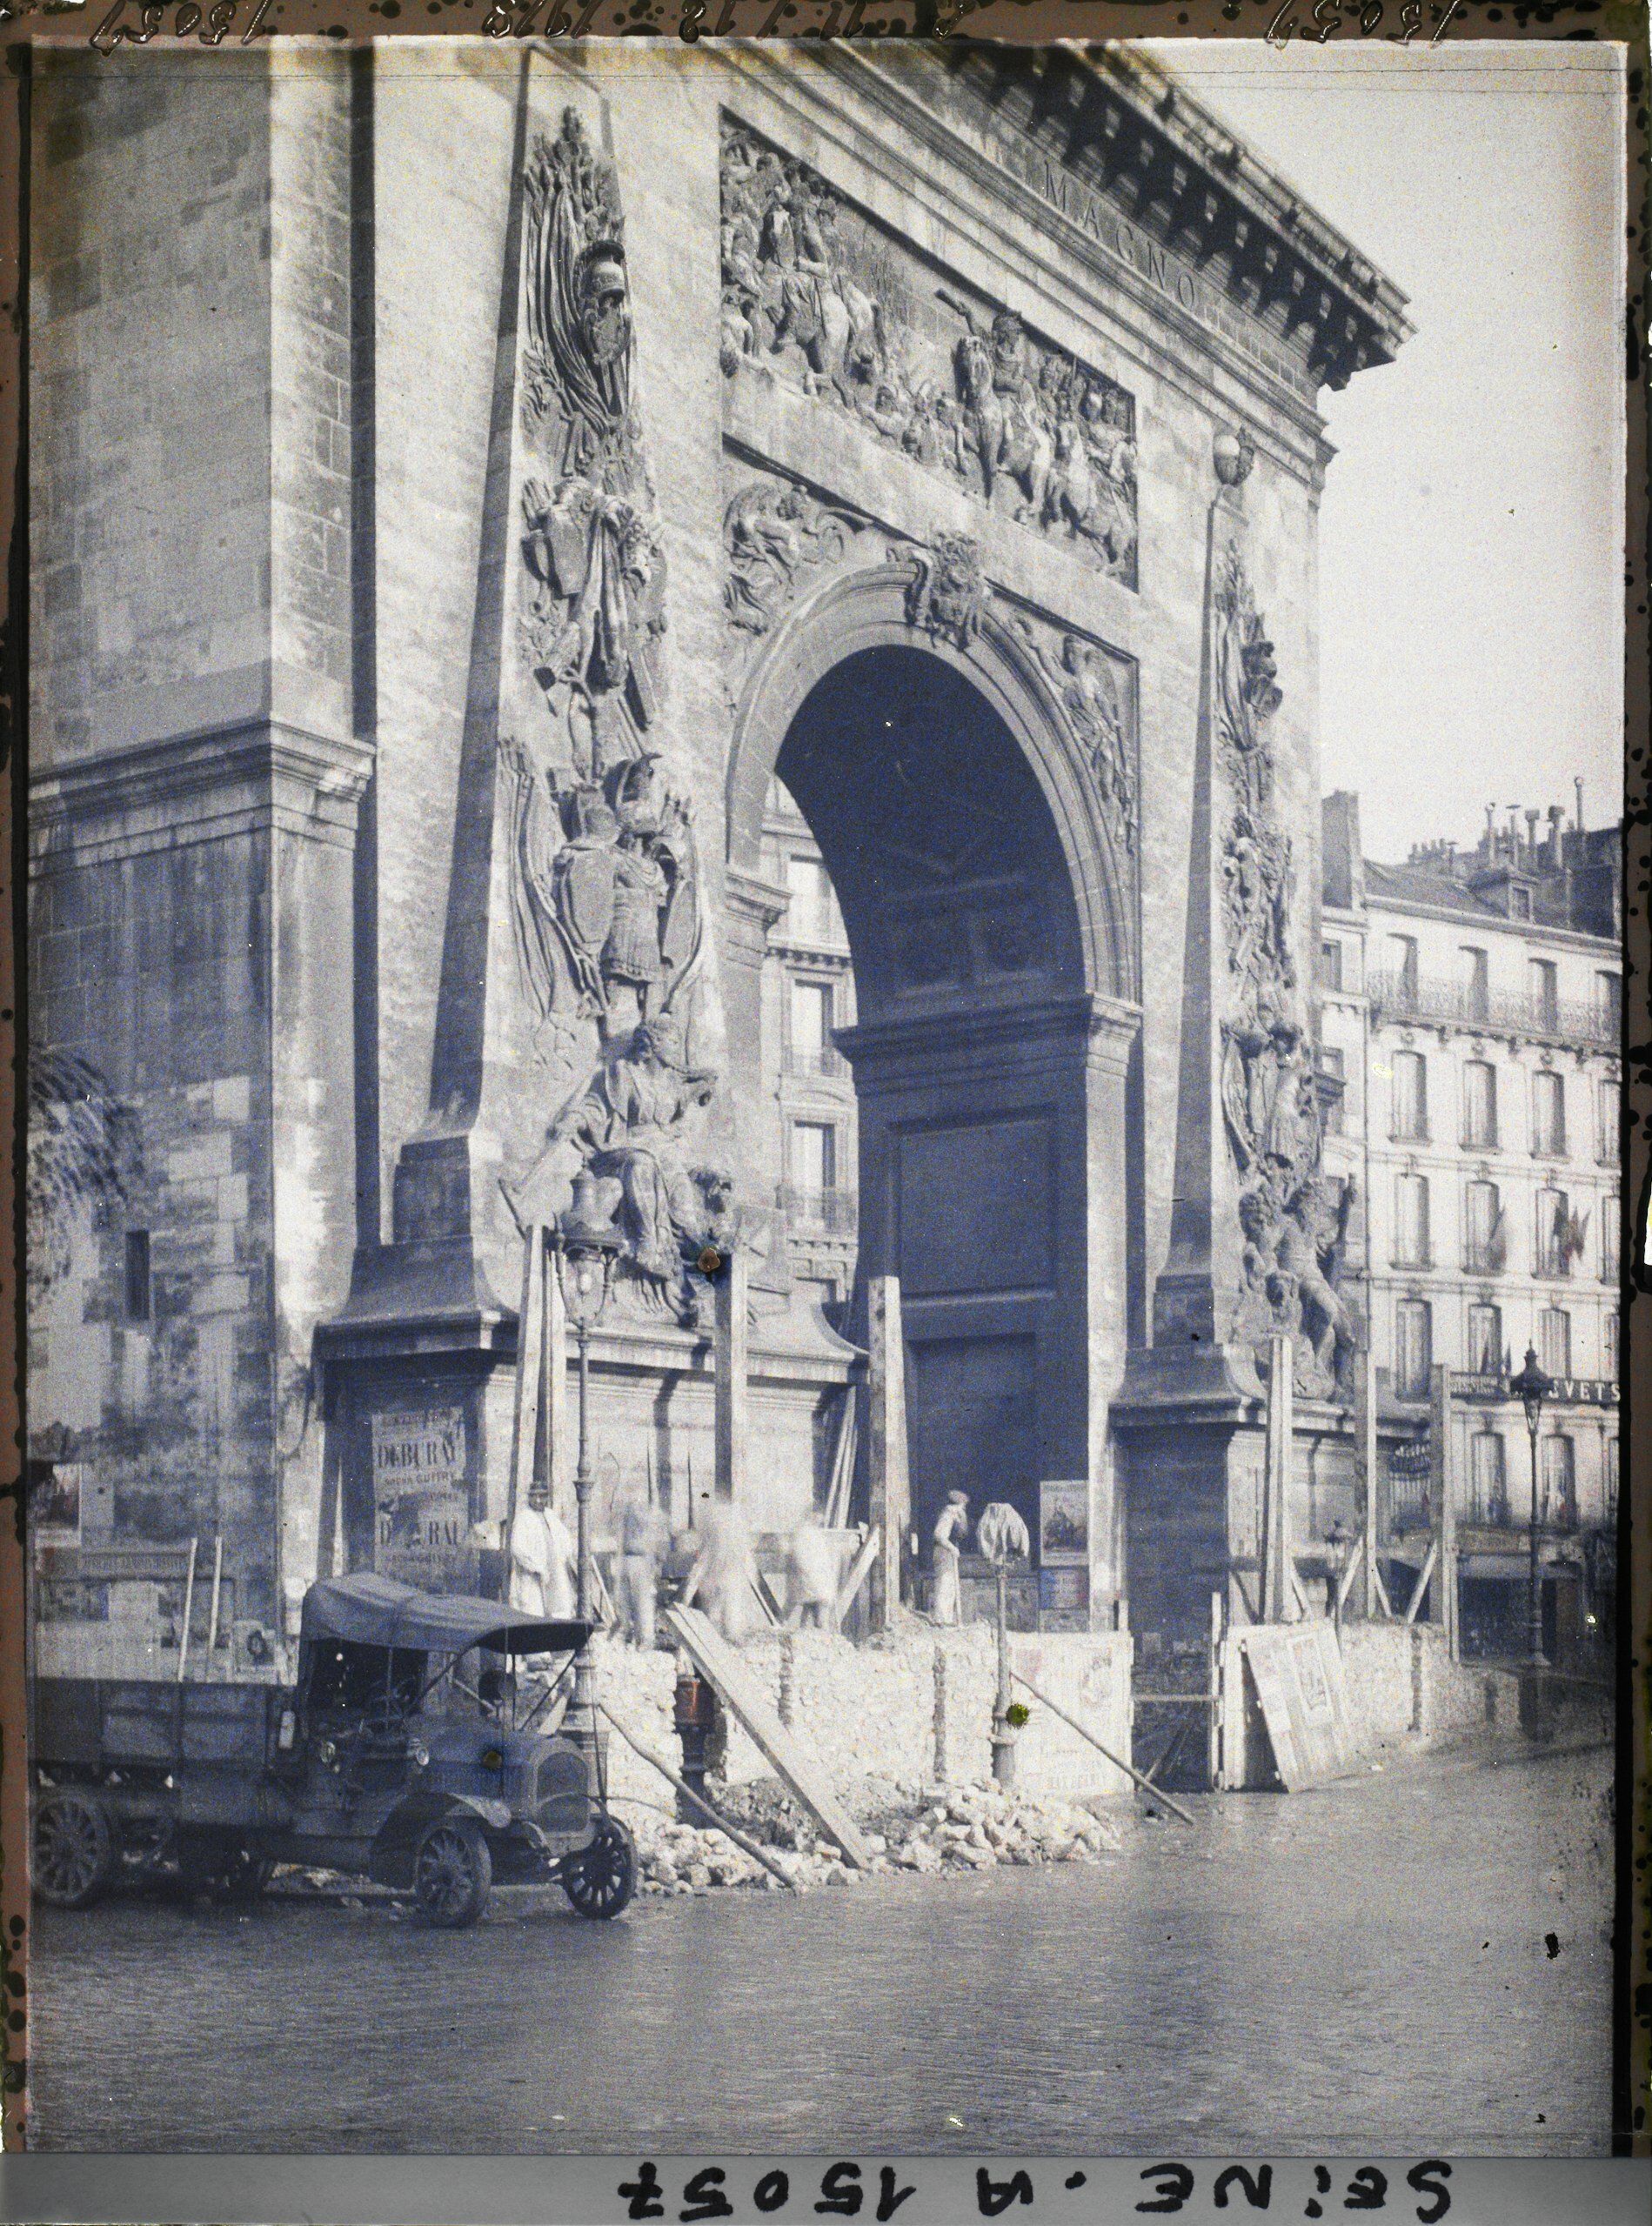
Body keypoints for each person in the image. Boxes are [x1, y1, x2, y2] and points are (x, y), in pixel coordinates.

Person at [681, 1494, 757, 1646]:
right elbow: (749, 1567)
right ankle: (725, 1639)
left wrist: (686, 1598)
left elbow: (698, 1571)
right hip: (724, 1583)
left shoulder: (722, 1545)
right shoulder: (727, 1545)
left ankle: (724, 1639)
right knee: (725, 1618)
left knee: (721, 1618)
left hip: (723, 1583)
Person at [509, 1481, 578, 1623]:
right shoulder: (523, 1518)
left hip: (555, 1572)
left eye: (542, 1496)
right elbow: (517, 1548)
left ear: (547, 1497)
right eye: (534, 1496)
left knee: (559, 1611)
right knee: (533, 1614)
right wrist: (536, 1567)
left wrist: (565, 1555)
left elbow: (565, 1540)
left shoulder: (551, 1516)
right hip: (532, 1576)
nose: (538, 1500)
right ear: (530, 1497)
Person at [617, 1482, 667, 1650]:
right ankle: (626, 1636)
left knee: (643, 1601)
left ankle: (646, 1639)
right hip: (626, 1559)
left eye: (636, 1495)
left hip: (643, 1560)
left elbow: (660, 1541)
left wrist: (657, 1563)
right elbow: (620, 1538)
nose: (633, 1499)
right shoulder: (625, 1514)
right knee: (625, 1601)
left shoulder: (651, 1515)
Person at [786, 1507, 842, 1630]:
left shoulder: (815, 1534)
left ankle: (816, 1634)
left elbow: (824, 1558)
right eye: (817, 1515)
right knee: (817, 1614)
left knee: (815, 1613)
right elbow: (800, 1558)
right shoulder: (804, 1533)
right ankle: (816, 1633)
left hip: (817, 1583)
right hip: (812, 1582)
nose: (820, 1518)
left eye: (821, 1516)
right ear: (811, 1515)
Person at [931, 1491, 970, 1627]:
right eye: (962, 1505)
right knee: (944, 1585)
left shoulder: (954, 1514)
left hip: (947, 1552)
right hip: (943, 1552)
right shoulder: (948, 1514)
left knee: (950, 1586)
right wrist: (952, 1548)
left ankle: (946, 1619)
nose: (963, 1508)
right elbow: (939, 1535)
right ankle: (940, 1620)